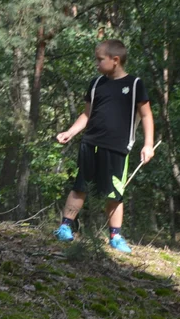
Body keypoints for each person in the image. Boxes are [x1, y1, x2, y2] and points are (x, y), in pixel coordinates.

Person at [54, 40, 154, 253]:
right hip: (90, 144)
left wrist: (148, 145)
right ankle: (65, 227)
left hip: (117, 148)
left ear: (115, 60)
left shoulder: (135, 84)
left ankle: (115, 236)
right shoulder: (96, 83)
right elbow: (86, 114)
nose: (96, 64)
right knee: (80, 185)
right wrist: (70, 132)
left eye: (100, 60)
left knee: (115, 193)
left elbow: (146, 115)